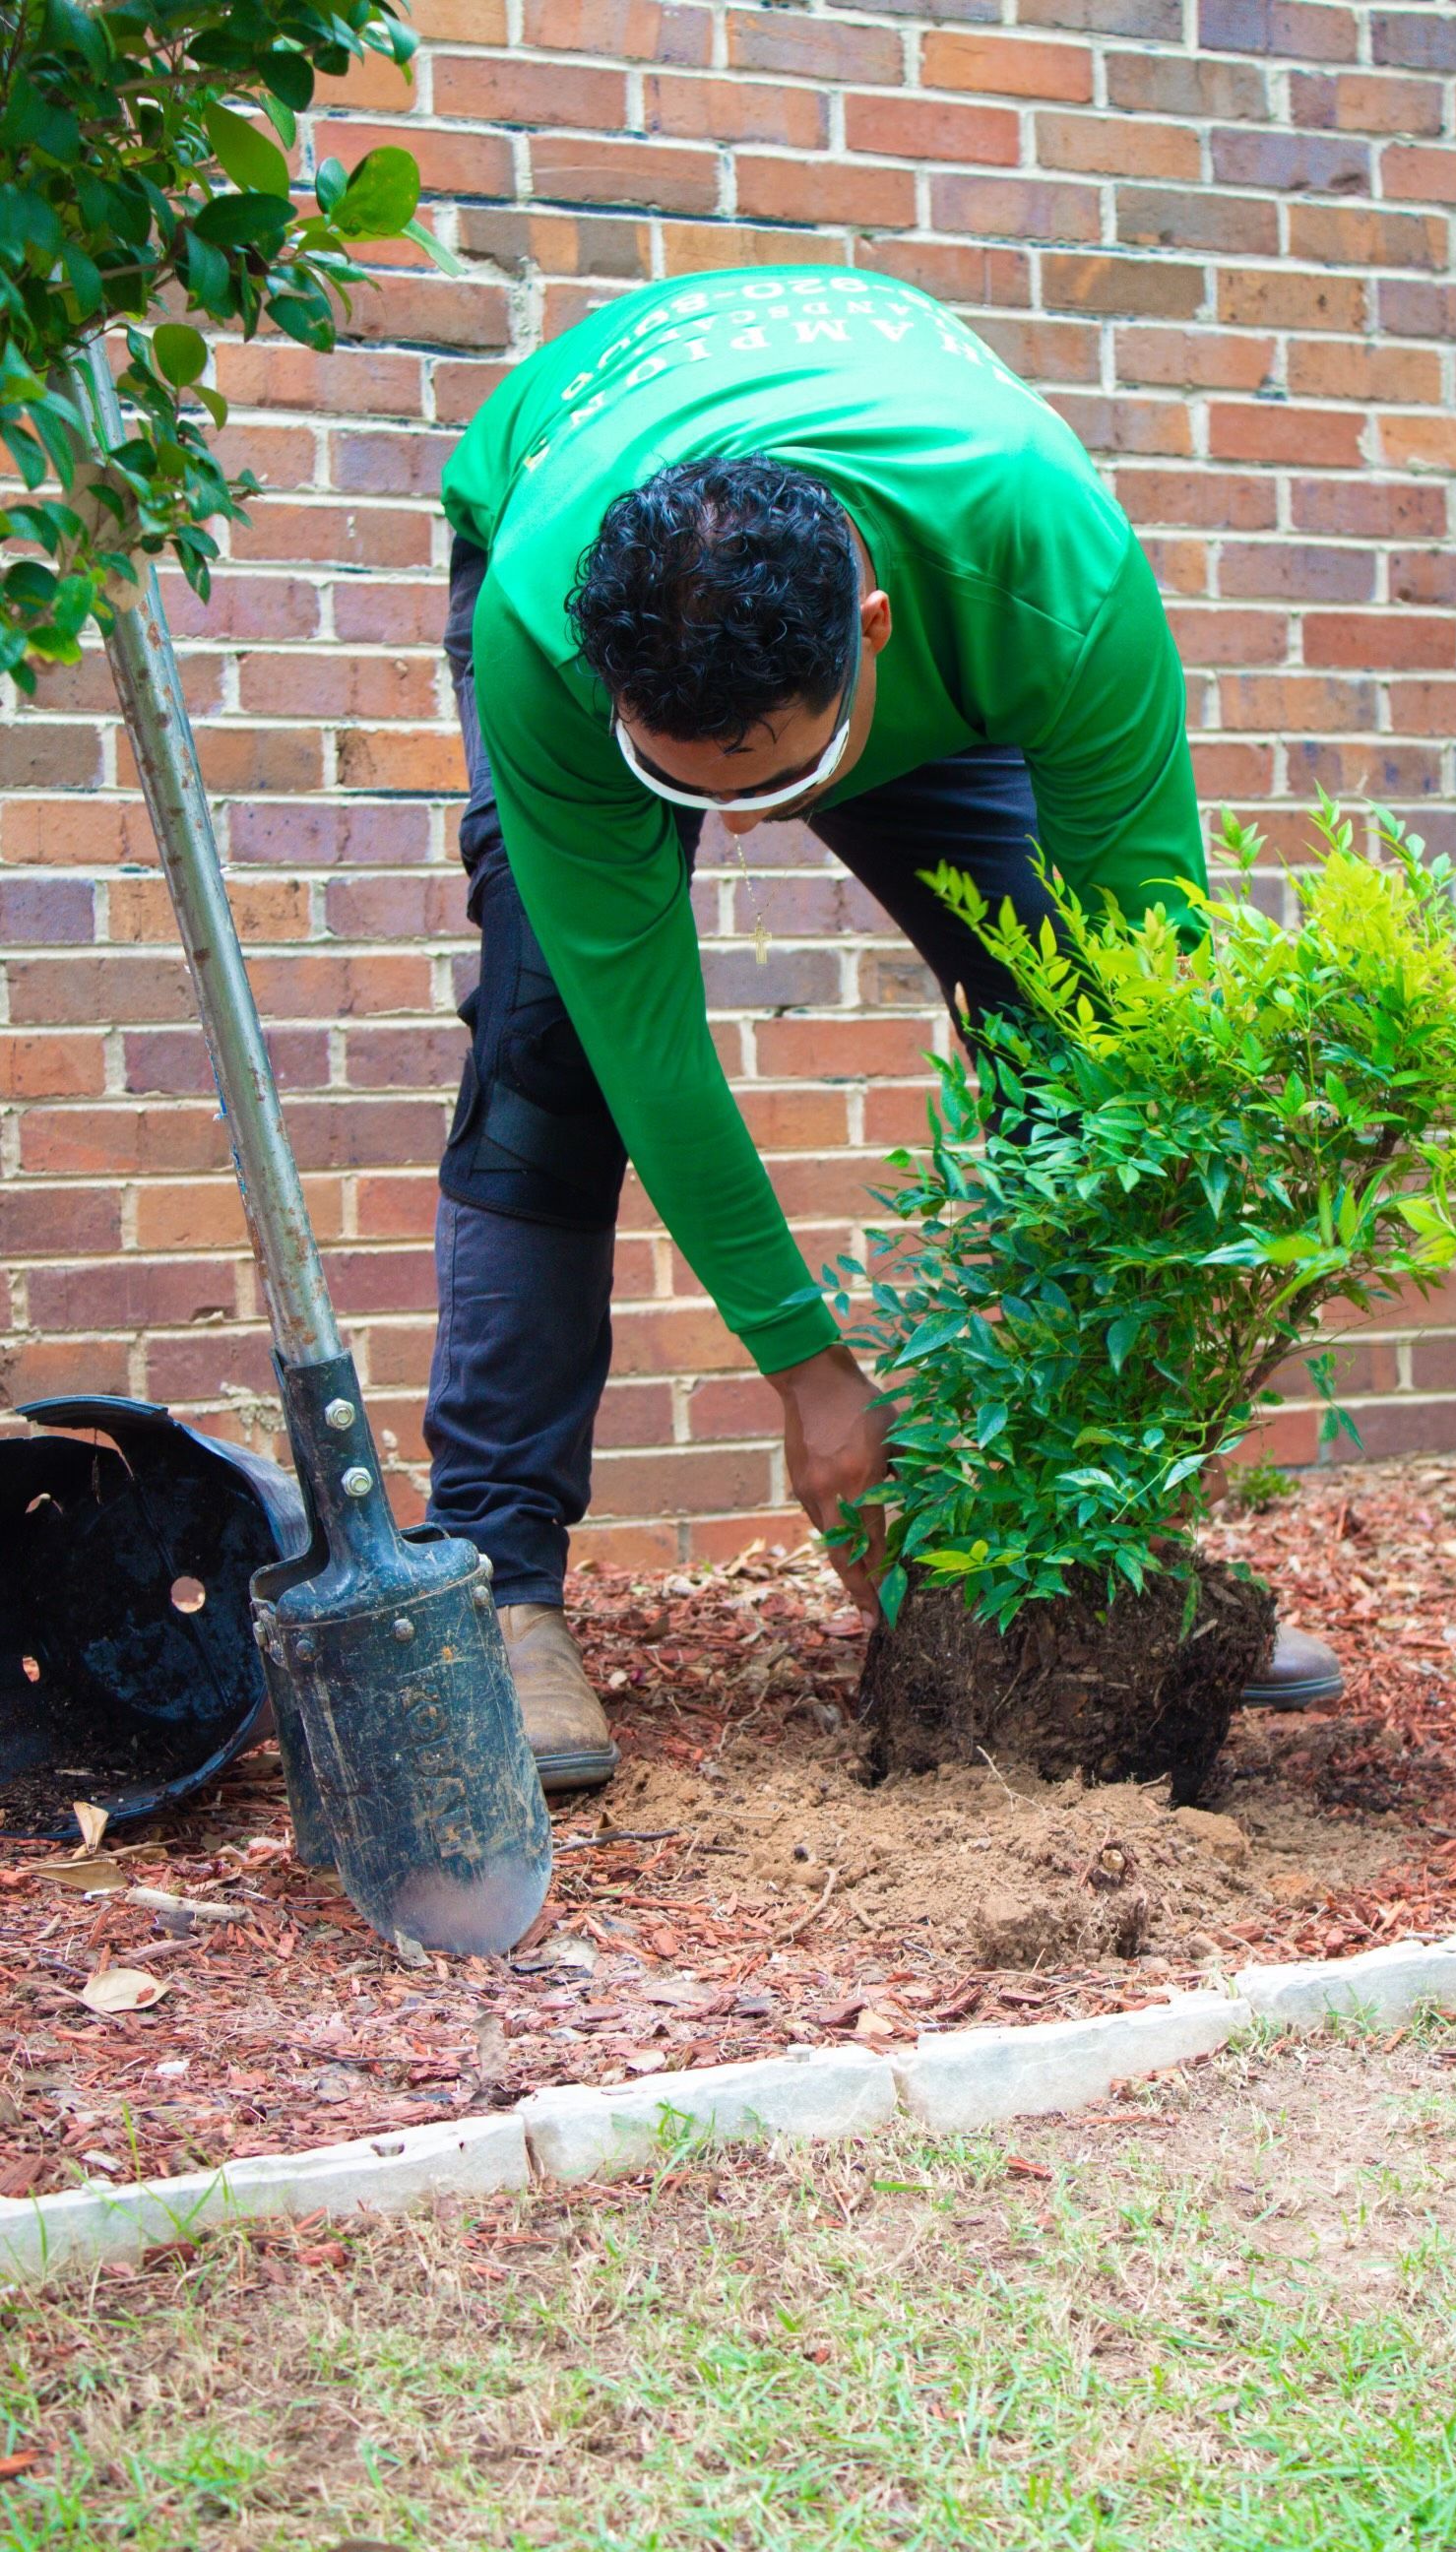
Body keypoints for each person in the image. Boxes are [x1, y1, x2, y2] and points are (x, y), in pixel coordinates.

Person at [423, 265, 1343, 1792]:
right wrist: (811, 1372)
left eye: (769, 778)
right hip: (561, 482)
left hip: (949, 583)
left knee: (1070, 1021)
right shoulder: (549, 624)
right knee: (550, 1054)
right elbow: (648, 1033)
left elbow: (1151, 998)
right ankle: (497, 1587)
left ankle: (1079, 1545)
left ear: (872, 630)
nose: (733, 822)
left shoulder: (1049, 565)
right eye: (686, 782)